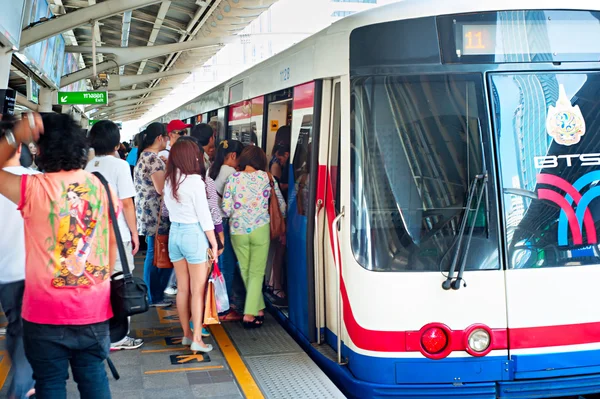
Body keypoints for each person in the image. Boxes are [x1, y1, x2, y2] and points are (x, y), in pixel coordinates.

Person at [0, 113, 117, 398]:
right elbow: (111, 245)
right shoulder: (100, 186)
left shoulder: (33, 189)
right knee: (93, 378)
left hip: (44, 312)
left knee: (49, 383)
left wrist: (16, 134)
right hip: (94, 308)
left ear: (39, 150)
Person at [85, 120, 143, 351]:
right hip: (117, 237)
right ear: (117, 143)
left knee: (101, 286)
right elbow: (127, 204)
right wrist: (135, 233)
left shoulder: (87, 166)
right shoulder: (119, 166)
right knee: (121, 285)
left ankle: (101, 331)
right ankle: (119, 337)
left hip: (92, 239)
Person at [163, 139, 218, 352]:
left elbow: (168, 209)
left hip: (174, 234)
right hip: (193, 234)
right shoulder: (195, 181)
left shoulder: (170, 180)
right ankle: (197, 338)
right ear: (191, 157)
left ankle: (186, 334)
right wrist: (213, 243)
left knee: (183, 289)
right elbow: (205, 217)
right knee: (198, 290)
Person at [222, 146, 286, 328]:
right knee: (257, 271)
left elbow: (225, 208)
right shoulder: (267, 177)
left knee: (246, 270)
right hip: (260, 229)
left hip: (238, 230)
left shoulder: (233, 178)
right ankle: (251, 313)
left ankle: (256, 309)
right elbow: (281, 206)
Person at [0, 117, 36, 399]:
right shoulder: (33, 180)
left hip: (5, 275)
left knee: (16, 328)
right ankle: (22, 389)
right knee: (24, 334)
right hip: (30, 273)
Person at [134, 122, 172, 307]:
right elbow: (161, 188)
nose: (167, 140)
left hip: (146, 214)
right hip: (156, 215)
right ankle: (153, 295)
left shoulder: (144, 156)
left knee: (152, 251)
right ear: (159, 138)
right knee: (155, 253)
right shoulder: (154, 160)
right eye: (166, 137)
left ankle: (152, 294)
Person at [209, 139, 245, 320]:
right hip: (225, 222)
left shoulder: (212, 170)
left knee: (219, 265)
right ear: (232, 156)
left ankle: (219, 305)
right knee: (228, 266)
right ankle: (224, 309)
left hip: (213, 223)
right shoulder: (231, 173)